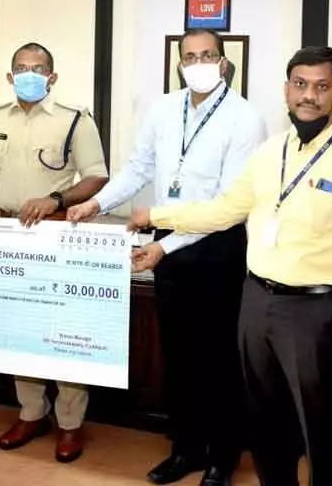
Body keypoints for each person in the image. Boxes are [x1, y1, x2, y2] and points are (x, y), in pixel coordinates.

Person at [128, 46, 332, 486]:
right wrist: (157, 216)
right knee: (267, 425)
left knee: (321, 426)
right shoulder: (273, 150)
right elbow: (225, 209)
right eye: (300, 85)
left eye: (321, 87)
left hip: (318, 311)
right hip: (256, 303)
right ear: (286, 90)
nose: (308, 95)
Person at [67, 29, 266, 486]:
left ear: (223, 61)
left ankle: (222, 457)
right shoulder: (163, 109)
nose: (198, 63)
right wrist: (95, 205)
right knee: (178, 358)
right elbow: (137, 168)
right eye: (189, 56)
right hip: (168, 248)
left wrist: (163, 244)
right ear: (180, 63)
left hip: (217, 249)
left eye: (207, 55)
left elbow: (225, 205)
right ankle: (186, 449)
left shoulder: (245, 118)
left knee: (219, 362)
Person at [0, 42, 109, 463]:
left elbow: (96, 177)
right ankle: (31, 411)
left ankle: (71, 423)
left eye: (38, 68)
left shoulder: (75, 120)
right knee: (19, 326)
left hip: (56, 234)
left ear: (52, 77)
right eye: (21, 68)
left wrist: (55, 200)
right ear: (9, 76)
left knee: (60, 328)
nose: (29, 74)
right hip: (7, 233)